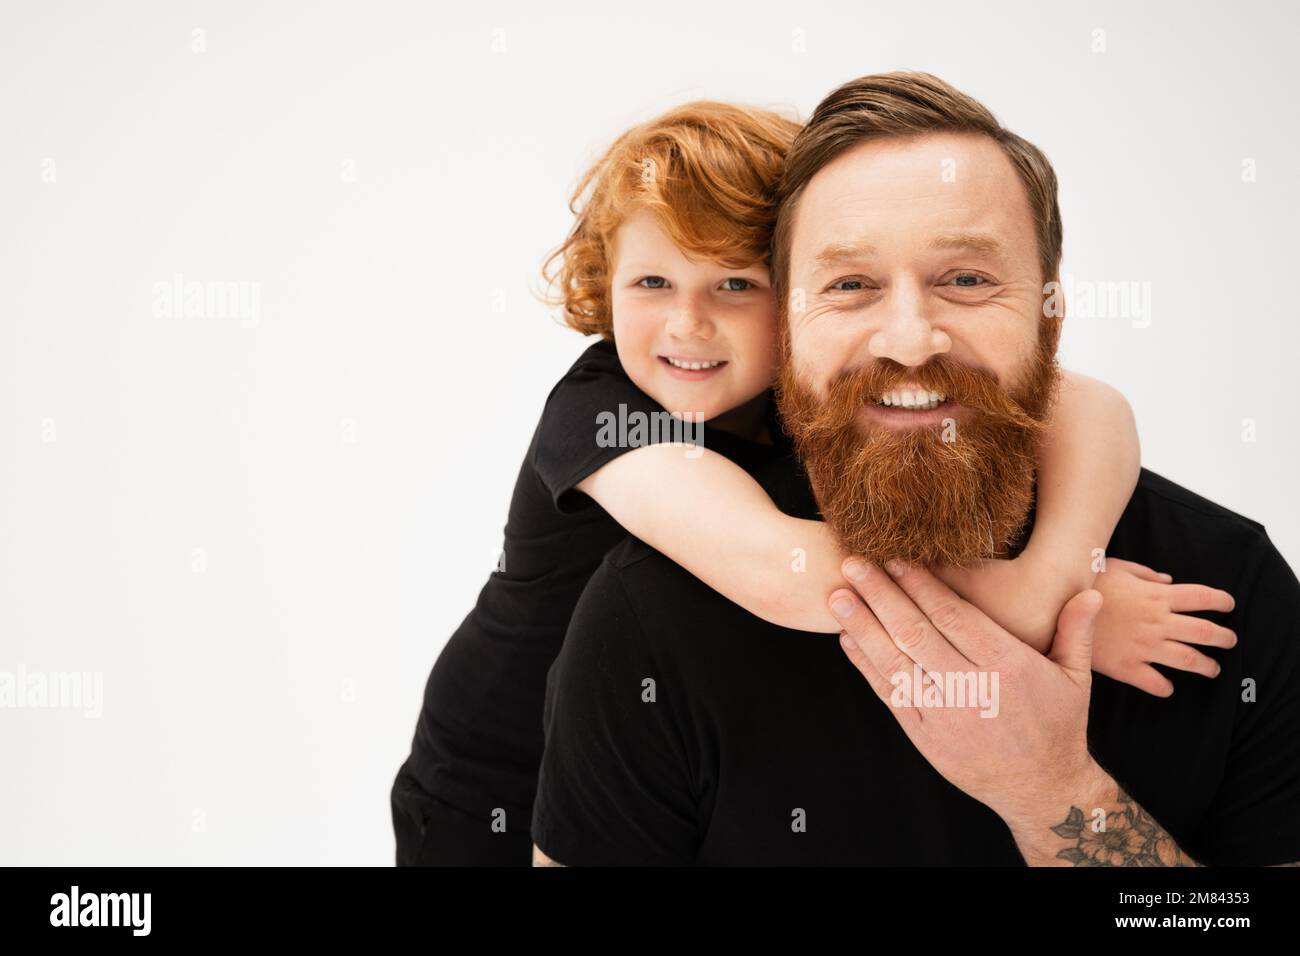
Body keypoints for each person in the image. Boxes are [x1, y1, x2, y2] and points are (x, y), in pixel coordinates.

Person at [392, 95, 1230, 867]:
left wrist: (1061, 564)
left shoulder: (814, 384)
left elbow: (1094, 406)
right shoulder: (606, 414)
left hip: (666, 779)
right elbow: (785, 574)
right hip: (491, 788)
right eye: (651, 283)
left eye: (734, 285)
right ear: (600, 286)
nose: (689, 324)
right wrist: (1046, 609)